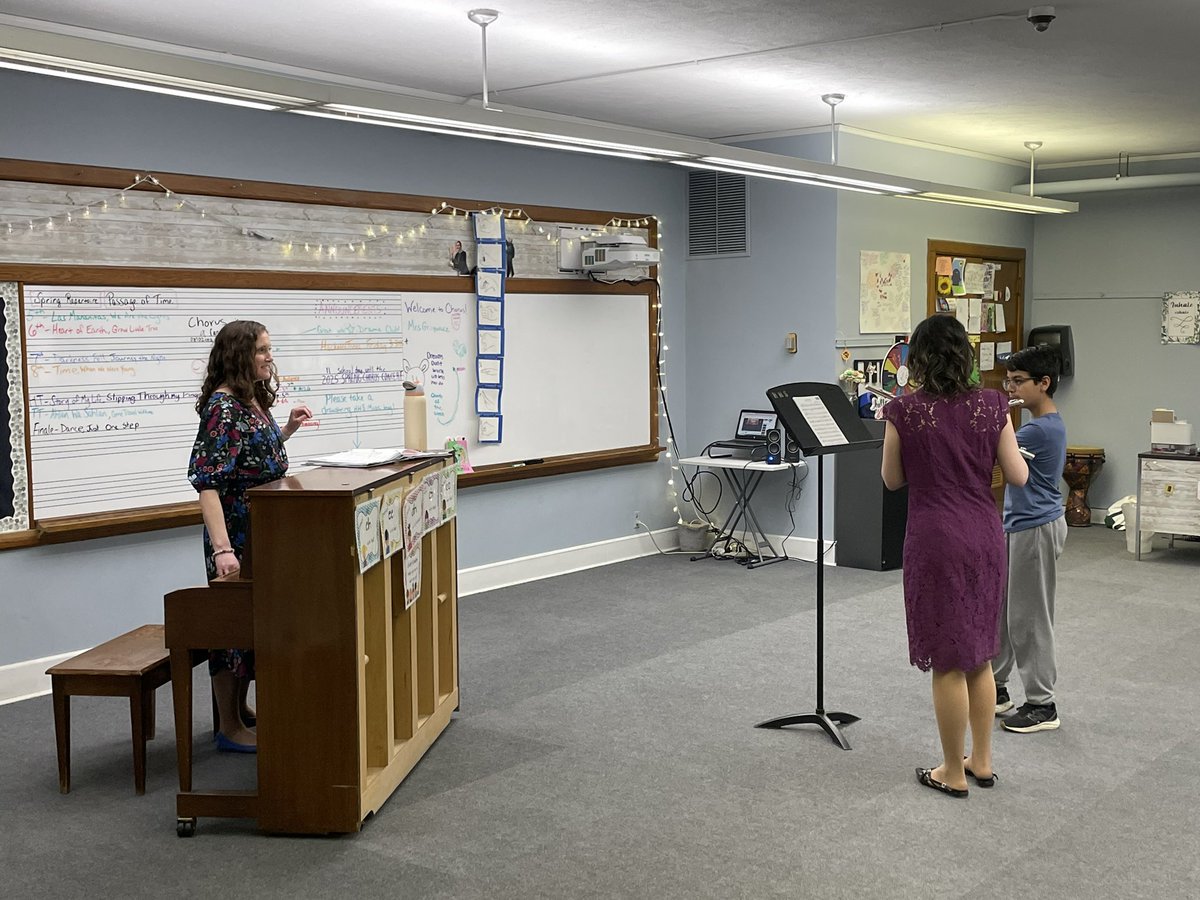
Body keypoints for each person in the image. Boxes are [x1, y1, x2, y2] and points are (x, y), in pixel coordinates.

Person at [881, 315, 1028, 797]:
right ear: (965, 355)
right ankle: (981, 759)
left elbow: (892, 479)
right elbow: (1018, 475)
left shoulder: (904, 411)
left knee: (946, 659)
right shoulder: (994, 404)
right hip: (984, 535)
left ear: (919, 358)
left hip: (934, 537)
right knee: (979, 653)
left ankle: (951, 769)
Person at [187, 320, 312, 752]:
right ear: (240, 355)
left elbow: (254, 456)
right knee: (232, 630)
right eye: (262, 350)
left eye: (269, 348)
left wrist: (287, 430)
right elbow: (208, 483)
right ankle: (228, 726)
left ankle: (240, 710)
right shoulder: (222, 408)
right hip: (235, 535)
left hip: (263, 531)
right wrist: (223, 550)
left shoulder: (251, 399)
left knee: (253, 628)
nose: (269, 357)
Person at [994, 345, 1067, 733]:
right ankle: (996, 688)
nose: (1011, 388)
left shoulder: (1039, 429)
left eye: (1019, 381)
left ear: (1044, 383)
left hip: (1035, 528)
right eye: (1008, 381)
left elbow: (996, 454)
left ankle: (1042, 705)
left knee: (1030, 618)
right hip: (1020, 525)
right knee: (1005, 611)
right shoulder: (1039, 424)